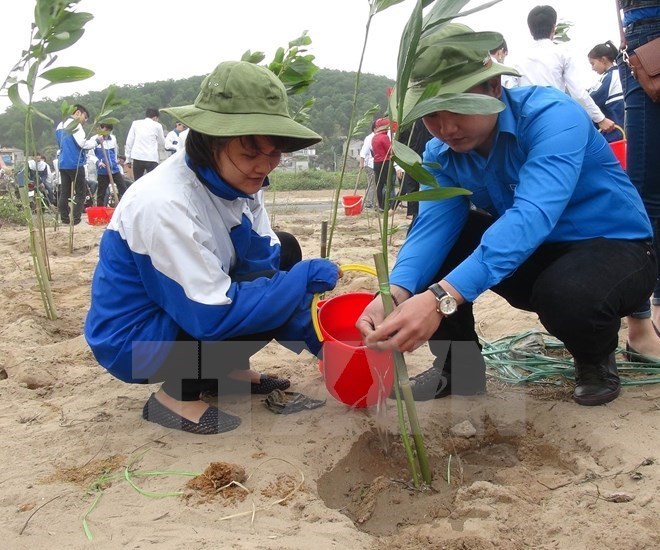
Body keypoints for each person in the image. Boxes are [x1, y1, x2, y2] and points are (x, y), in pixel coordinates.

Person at [356, 23, 655, 407]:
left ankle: (594, 359)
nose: (447, 128)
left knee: (570, 294)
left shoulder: (552, 116)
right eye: (432, 115)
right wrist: (395, 292)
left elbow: (531, 215)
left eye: (460, 107)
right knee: (445, 240)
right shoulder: (440, 154)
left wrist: (439, 299)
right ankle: (458, 368)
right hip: (531, 256)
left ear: (493, 88)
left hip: (614, 250)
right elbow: (432, 228)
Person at [84, 60, 340, 435]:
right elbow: (210, 314)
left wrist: (320, 336)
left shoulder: (239, 183)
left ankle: (227, 373)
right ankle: (176, 398)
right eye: (250, 155)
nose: (263, 167)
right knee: (269, 290)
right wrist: (298, 282)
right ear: (209, 143)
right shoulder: (165, 204)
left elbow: (265, 263)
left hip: (183, 306)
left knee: (284, 251)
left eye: (273, 154)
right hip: (135, 343)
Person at [616, 0, 660, 361]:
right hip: (650, 38)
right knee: (645, 198)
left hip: (648, 32)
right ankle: (643, 326)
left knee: (648, 196)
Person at [506, 5, 617, 135]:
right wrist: (600, 118)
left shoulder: (516, 59)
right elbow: (578, 94)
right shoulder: (562, 54)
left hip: (527, 124)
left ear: (530, 31)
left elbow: (510, 92)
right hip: (556, 119)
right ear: (553, 28)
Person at [55, 104, 99, 224]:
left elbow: (60, 145)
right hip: (75, 163)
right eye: (85, 117)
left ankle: (64, 219)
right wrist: (96, 141)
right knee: (81, 193)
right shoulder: (76, 125)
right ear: (78, 113)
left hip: (63, 163)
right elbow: (83, 144)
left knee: (65, 192)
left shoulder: (60, 125)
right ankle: (76, 220)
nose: (85, 121)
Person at [587, 41, 625, 142]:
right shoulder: (622, 73)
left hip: (613, 134)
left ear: (603, 60)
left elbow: (590, 100)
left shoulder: (609, 77)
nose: (592, 68)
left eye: (593, 63)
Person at [397, 120, 432, 220]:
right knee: (412, 187)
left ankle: (418, 212)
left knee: (425, 185)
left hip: (425, 157)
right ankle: (412, 212)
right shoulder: (406, 123)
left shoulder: (427, 120)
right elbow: (399, 143)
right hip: (412, 159)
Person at [124, 108, 166, 180]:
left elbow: (129, 142)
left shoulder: (135, 123)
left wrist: (128, 158)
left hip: (138, 157)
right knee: (153, 181)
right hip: (151, 158)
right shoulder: (157, 126)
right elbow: (162, 142)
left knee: (137, 181)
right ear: (155, 117)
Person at [93, 123, 128, 206]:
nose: (107, 132)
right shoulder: (94, 139)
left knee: (123, 188)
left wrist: (115, 161)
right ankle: (100, 211)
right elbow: (91, 155)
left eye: (109, 130)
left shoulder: (113, 139)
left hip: (114, 169)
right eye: (105, 130)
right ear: (100, 129)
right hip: (103, 170)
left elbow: (115, 152)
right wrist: (98, 162)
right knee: (102, 192)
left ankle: (123, 206)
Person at [371, 117, 394, 211]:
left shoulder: (374, 138)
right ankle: (387, 205)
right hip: (385, 162)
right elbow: (390, 151)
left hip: (376, 163)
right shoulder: (384, 137)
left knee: (379, 185)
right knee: (388, 184)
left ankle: (380, 205)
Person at [359, 121, 377, 209]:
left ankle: (373, 202)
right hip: (370, 164)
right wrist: (361, 162)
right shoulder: (370, 138)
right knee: (372, 184)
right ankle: (369, 202)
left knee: (375, 184)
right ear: (374, 129)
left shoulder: (379, 137)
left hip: (375, 164)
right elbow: (364, 151)